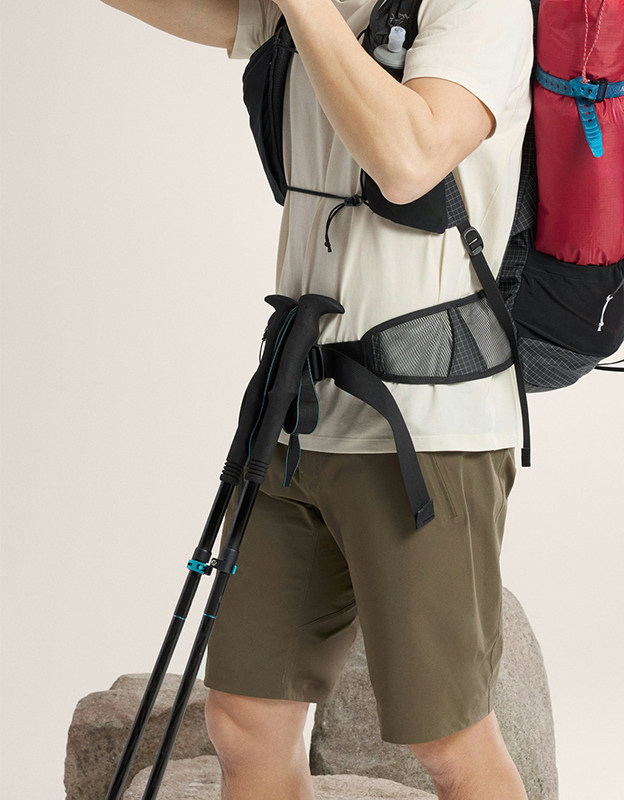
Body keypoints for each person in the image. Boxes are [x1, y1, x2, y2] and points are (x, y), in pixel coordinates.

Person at [100, 1, 533, 798]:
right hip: (296, 414)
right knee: (247, 719)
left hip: (425, 428)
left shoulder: (477, 7)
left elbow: (408, 159)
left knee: (447, 737)